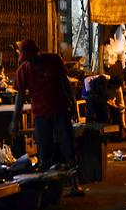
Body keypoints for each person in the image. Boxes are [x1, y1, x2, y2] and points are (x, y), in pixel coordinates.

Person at [10, 39, 84, 196]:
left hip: (60, 110)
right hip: (41, 115)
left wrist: (73, 104)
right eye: (28, 60)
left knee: (68, 148)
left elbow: (65, 83)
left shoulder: (53, 60)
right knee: (44, 153)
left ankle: (74, 185)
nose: (31, 62)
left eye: (32, 58)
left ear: (37, 53)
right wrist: (15, 121)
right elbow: (20, 97)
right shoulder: (23, 70)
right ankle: (47, 190)